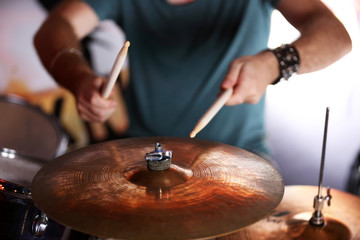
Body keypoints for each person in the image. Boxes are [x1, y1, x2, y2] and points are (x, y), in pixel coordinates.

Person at [33, 0, 351, 157]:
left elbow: (335, 36)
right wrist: (78, 77)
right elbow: (56, 26)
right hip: (143, 154)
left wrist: (273, 64)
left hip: (238, 157)